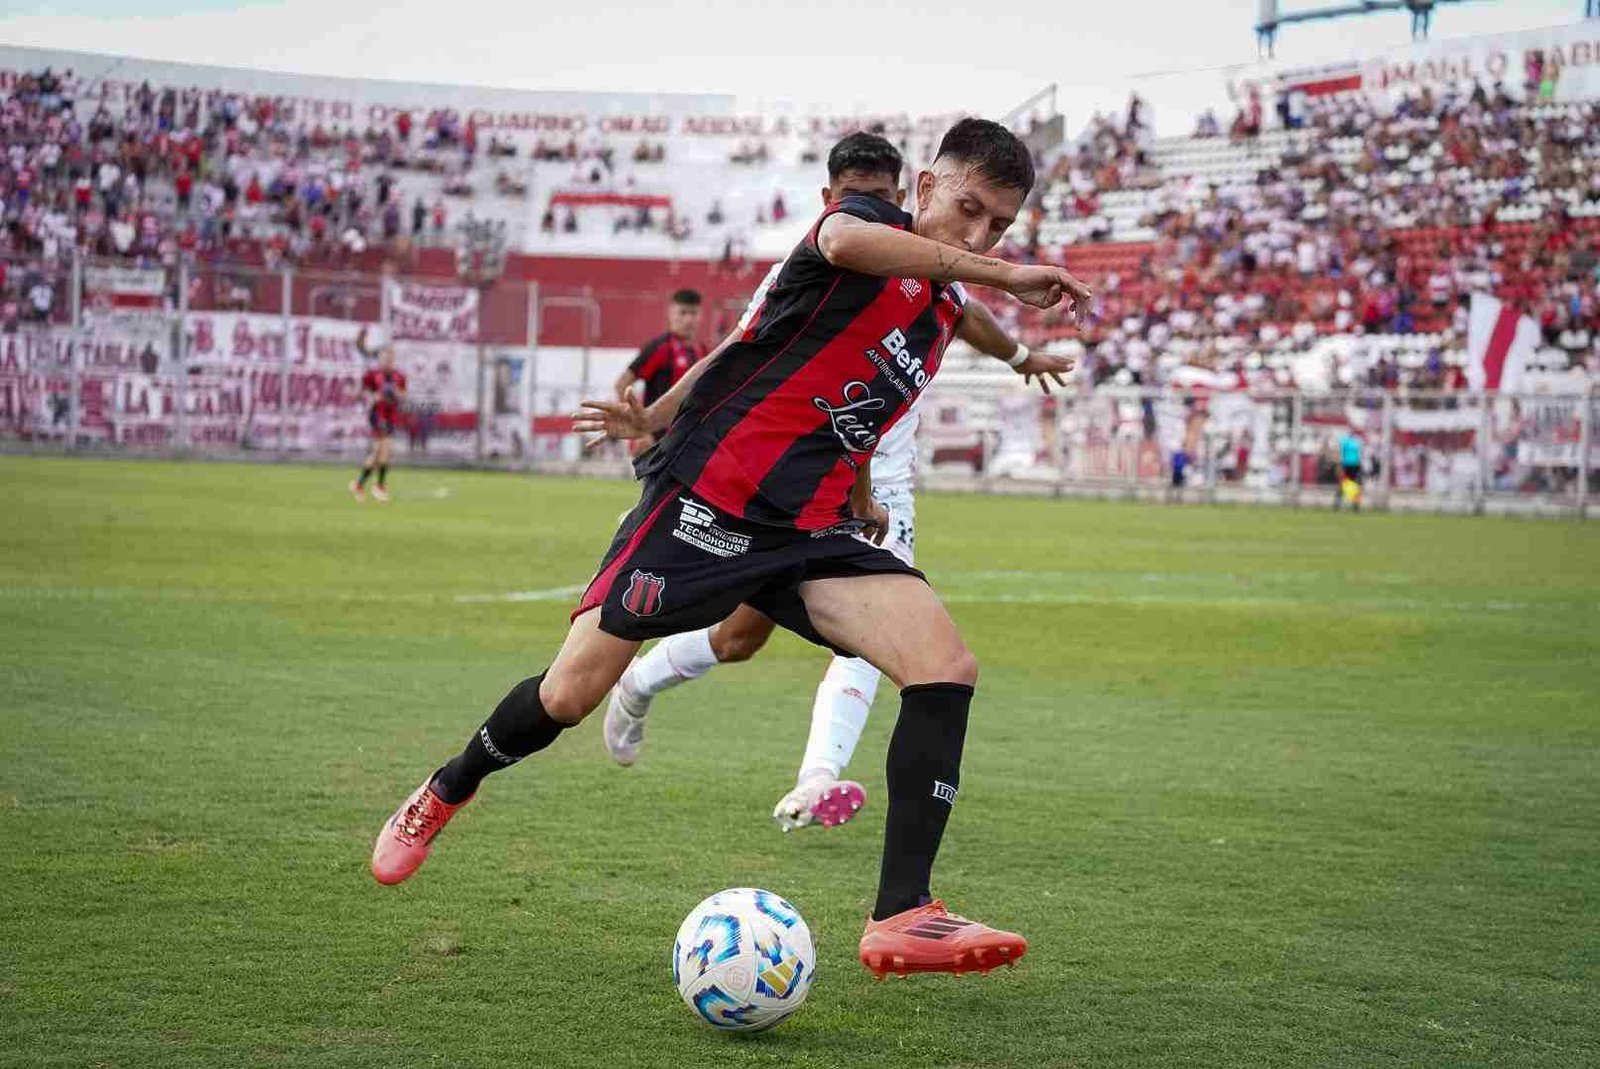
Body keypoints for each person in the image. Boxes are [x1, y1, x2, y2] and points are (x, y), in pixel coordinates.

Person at [369, 118, 1092, 980]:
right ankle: (446, 787)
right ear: (926, 187)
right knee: (567, 694)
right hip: (707, 502)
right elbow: (842, 242)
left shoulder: (940, 308)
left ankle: (904, 912)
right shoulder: (866, 228)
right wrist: (1004, 272)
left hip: (811, 528)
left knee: (945, 665)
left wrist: (1009, 364)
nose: (979, 235)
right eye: (969, 209)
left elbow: (904, 363)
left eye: (1000, 226)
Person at [592, 133, 1076, 836]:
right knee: (739, 638)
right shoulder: (814, 265)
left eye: (882, 200)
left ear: (907, 195)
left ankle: (816, 777)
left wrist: (1022, 354)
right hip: (786, 478)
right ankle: (640, 680)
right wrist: (660, 415)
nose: (872, 215)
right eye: (857, 201)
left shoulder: (930, 269)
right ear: (831, 201)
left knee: (879, 640)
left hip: (878, 488)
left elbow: (967, 313)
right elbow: (734, 353)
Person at [612, 289, 706, 453]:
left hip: (687, 442)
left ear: (700, 316)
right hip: (655, 443)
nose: (688, 319)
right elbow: (622, 384)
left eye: (693, 313)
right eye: (683, 313)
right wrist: (640, 431)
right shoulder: (660, 348)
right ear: (670, 313)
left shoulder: (702, 352)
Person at [349, 328, 407, 503]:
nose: (387, 361)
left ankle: (359, 485)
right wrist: (372, 395)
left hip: (391, 415)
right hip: (378, 414)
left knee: (377, 454)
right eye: (384, 358)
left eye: (390, 358)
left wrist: (395, 392)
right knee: (385, 450)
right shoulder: (372, 375)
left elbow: (403, 396)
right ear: (380, 359)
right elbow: (360, 394)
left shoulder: (399, 376)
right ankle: (379, 487)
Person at [1336, 429, 1364, 511]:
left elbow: (1359, 454)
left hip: (1354, 465)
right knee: (1345, 485)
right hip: (1347, 465)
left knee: (1354, 486)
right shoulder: (1346, 441)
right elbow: (1341, 453)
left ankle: (1355, 505)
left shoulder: (1356, 441)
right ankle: (1339, 503)